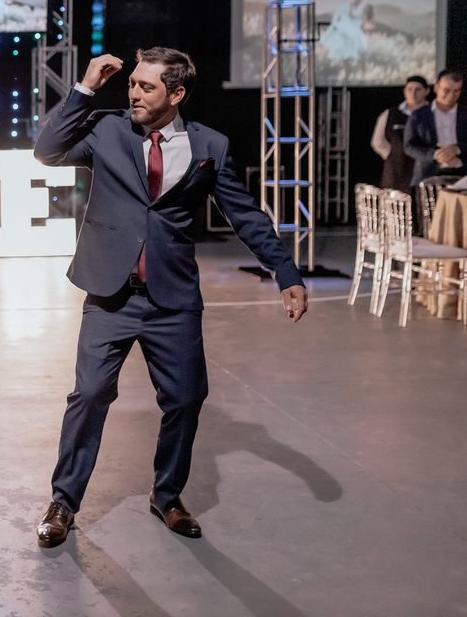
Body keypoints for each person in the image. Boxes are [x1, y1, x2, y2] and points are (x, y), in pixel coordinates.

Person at [31, 49, 308, 545]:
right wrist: (86, 87)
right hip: (111, 293)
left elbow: (244, 214)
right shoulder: (107, 128)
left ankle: (167, 495)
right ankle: (63, 502)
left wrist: (285, 271)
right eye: (132, 84)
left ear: (176, 93)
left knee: (185, 398)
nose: (133, 93)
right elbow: (47, 150)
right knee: (89, 395)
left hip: (172, 297)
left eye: (146, 86)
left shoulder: (210, 145)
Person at [404, 69, 467, 185]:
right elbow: (409, 146)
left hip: (462, 176)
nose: (451, 95)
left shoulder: (465, 113)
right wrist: (436, 154)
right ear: (436, 88)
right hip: (427, 176)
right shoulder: (419, 115)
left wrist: (457, 149)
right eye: (446, 90)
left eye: (456, 90)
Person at [371, 76, 429, 190]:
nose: (413, 93)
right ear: (404, 91)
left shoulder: (433, 114)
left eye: (418, 89)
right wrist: (393, 155)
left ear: (427, 91)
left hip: (425, 174)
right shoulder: (390, 114)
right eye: (410, 89)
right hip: (396, 176)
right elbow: (377, 142)